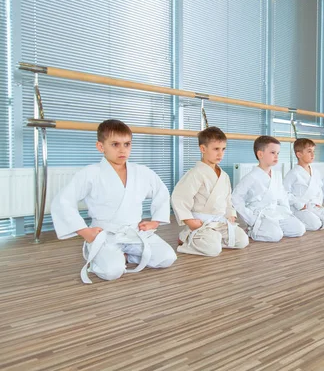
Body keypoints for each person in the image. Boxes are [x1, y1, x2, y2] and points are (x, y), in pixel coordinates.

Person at [51, 119, 176, 283]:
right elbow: (63, 201)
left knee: (167, 258)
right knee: (112, 272)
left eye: (127, 144)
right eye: (115, 144)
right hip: (105, 235)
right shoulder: (90, 173)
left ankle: (128, 254)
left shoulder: (142, 172)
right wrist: (85, 232)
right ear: (101, 147)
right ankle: (98, 252)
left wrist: (156, 222)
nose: (122, 150)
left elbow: (162, 191)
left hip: (134, 232)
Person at [171, 126, 249, 256]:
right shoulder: (195, 173)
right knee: (213, 250)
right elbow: (179, 197)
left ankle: (213, 238)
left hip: (220, 223)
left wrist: (231, 213)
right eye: (216, 149)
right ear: (203, 149)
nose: (220, 154)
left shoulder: (224, 176)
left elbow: (227, 199)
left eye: (223, 149)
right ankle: (186, 237)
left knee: (242, 240)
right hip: (201, 224)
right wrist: (190, 222)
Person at [231, 136, 305, 242]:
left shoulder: (277, 175)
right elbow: (235, 197)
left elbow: (282, 195)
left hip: (275, 212)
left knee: (299, 229)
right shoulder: (251, 177)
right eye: (272, 153)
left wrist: (286, 211)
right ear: (260, 154)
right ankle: (252, 230)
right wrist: (250, 218)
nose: (276, 156)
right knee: (276, 236)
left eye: (278, 153)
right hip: (259, 215)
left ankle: (272, 228)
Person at [283, 138, 324, 231]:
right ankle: (294, 220)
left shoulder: (315, 172)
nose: (313, 155)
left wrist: (318, 203)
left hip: (314, 206)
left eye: (313, 151)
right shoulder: (293, 173)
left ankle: (317, 219)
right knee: (315, 224)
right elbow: (285, 193)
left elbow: (319, 190)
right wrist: (299, 204)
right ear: (299, 154)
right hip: (300, 208)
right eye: (309, 151)